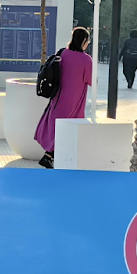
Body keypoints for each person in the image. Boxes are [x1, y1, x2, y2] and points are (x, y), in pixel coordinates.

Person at [34, 26, 93, 169]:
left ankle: (49, 156)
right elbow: (91, 81)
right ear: (84, 41)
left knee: (55, 126)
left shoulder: (63, 53)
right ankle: (52, 157)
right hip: (74, 99)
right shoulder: (86, 60)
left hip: (58, 97)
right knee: (69, 128)